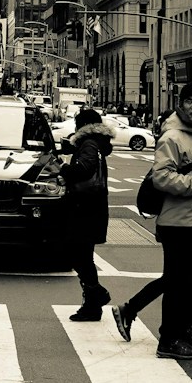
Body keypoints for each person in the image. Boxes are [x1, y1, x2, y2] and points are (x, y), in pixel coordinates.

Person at [112, 80, 192, 361]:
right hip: (177, 222)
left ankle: (187, 325)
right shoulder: (173, 137)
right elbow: (162, 176)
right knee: (180, 280)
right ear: (180, 105)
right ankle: (170, 338)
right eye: (189, 102)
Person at [61, 106, 113, 322]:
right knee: (83, 256)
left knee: (77, 255)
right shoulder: (98, 143)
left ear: (82, 126)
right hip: (93, 208)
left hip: (84, 208)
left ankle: (96, 295)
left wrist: (63, 168)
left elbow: (84, 170)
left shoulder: (89, 143)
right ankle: (92, 304)